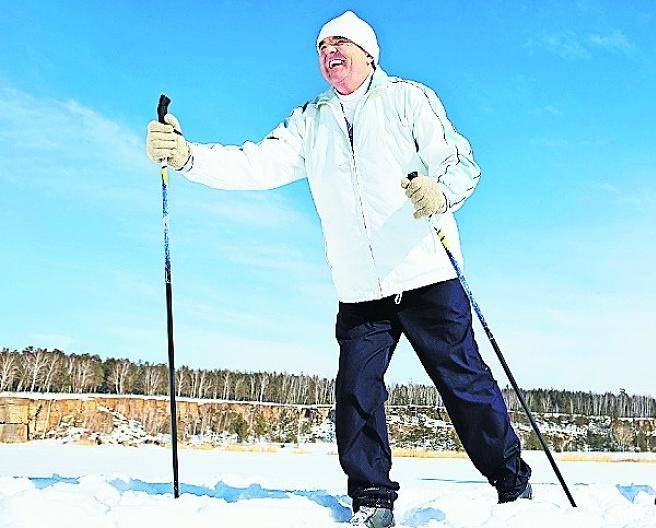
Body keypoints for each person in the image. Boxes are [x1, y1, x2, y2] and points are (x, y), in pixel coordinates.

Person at [146, 10, 531, 527]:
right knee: (356, 391)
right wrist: (187, 157)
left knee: (463, 383)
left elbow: (460, 162)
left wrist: (441, 193)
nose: (329, 52)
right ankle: (372, 498)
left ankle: (512, 481)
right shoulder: (311, 120)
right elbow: (256, 163)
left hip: (425, 274)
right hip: (360, 288)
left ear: (369, 54)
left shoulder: (407, 99)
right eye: (322, 46)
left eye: (340, 43)